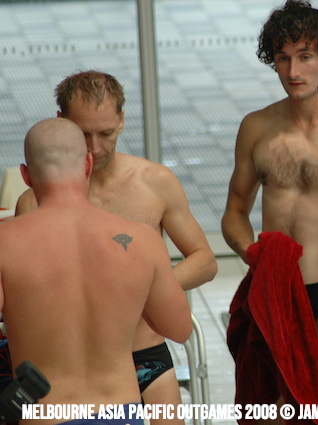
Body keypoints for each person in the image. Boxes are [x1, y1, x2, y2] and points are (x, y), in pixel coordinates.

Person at [15, 71, 217, 423]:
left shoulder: (154, 183)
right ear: (62, 123)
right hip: (73, 365)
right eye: (84, 134)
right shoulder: (34, 202)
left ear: (122, 121)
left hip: (146, 352)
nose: (95, 147)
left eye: (106, 133)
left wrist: (147, 286)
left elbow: (205, 260)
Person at [221, 0, 318, 418]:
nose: (293, 71)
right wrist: (253, 254)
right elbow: (235, 211)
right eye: (283, 58)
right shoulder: (257, 126)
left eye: (305, 57)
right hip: (276, 291)